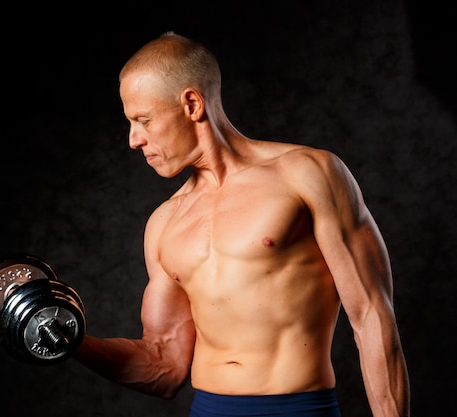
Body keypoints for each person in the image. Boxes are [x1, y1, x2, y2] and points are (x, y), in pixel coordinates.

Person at [73, 31, 410, 417]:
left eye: (144, 120)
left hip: (299, 409)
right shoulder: (163, 223)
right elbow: (164, 368)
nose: (134, 140)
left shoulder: (308, 174)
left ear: (192, 104)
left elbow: (371, 315)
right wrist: (72, 341)